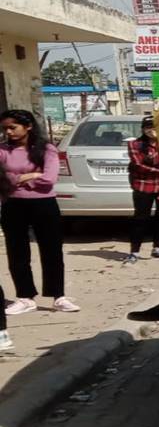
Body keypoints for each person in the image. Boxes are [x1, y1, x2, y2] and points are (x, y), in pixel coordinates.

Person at [0, 109, 77, 313]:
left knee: (51, 250)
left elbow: (49, 179)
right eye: (5, 128)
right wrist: (28, 176)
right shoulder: (3, 151)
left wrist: (14, 179)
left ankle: (58, 296)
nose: (9, 132)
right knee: (17, 252)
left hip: (44, 204)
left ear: (28, 126)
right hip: (12, 204)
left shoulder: (47, 149)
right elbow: (1, 180)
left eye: (13, 127)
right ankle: (25, 297)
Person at [125, 115, 159, 263]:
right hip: (143, 185)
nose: (152, 131)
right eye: (148, 128)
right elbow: (139, 166)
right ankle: (134, 252)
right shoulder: (135, 145)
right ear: (143, 129)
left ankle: (157, 248)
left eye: (154, 127)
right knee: (141, 218)